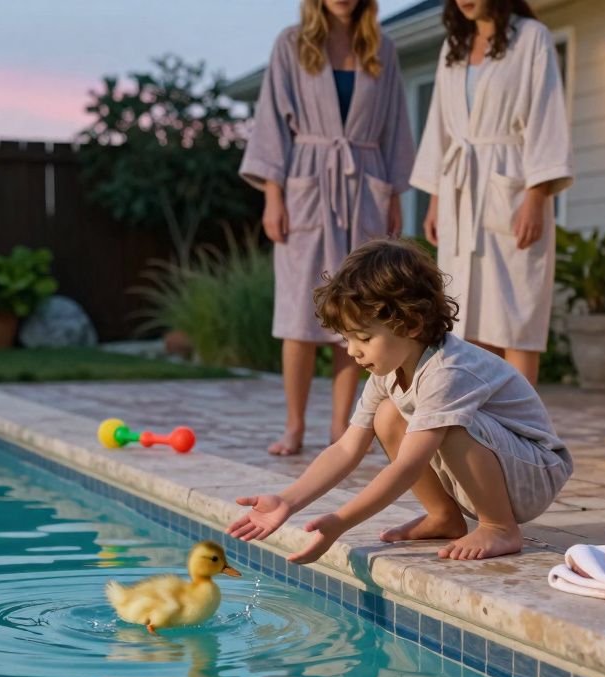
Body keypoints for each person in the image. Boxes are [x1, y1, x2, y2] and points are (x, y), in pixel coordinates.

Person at [225, 240, 572, 564]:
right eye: (346, 337)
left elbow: (406, 467)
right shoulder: (388, 371)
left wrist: (341, 521)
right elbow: (346, 449)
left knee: (448, 425)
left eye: (363, 337)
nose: (352, 350)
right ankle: (444, 517)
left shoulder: (448, 371)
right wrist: (288, 500)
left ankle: (499, 527)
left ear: (411, 323)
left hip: (533, 474)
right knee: (388, 415)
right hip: (503, 467)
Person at [240, 0, 416, 456]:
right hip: (307, 184)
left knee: (356, 313)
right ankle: (294, 426)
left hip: (365, 184)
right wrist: (272, 196)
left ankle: (341, 428)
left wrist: (393, 194)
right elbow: (271, 125)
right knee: (298, 315)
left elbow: (396, 126)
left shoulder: (382, 48)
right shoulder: (293, 44)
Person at [411, 0, 573, 385]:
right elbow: (440, 127)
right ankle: (482, 432)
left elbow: (545, 116)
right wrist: (435, 199)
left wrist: (537, 196)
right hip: (459, 191)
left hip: (512, 187)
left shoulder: (532, 38)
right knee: (466, 315)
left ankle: (523, 436)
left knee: (517, 315)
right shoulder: (454, 45)